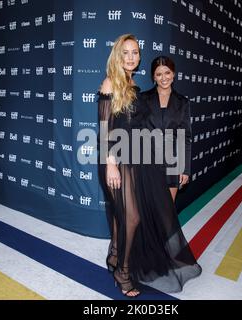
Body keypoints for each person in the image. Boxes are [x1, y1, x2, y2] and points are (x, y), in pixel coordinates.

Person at [97, 34, 201, 297]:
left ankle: (114, 256)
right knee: (132, 217)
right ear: (117, 55)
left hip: (136, 160)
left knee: (124, 217)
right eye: (126, 52)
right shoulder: (111, 83)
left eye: (135, 52)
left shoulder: (132, 84)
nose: (131, 57)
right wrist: (110, 164)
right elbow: (104, 128)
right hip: (116, 160)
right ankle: (123, 272)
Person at [140, 56, 191, 201]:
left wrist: (185, 169)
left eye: (167, 73)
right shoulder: (142, 99)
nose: (164, 78)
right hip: (147, 163)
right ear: (153, 77)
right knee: (148, 211)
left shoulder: (182, 102)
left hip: (172, 164)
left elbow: (185, 137)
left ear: (173, 74)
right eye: (159, 74)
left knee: (167, 212)